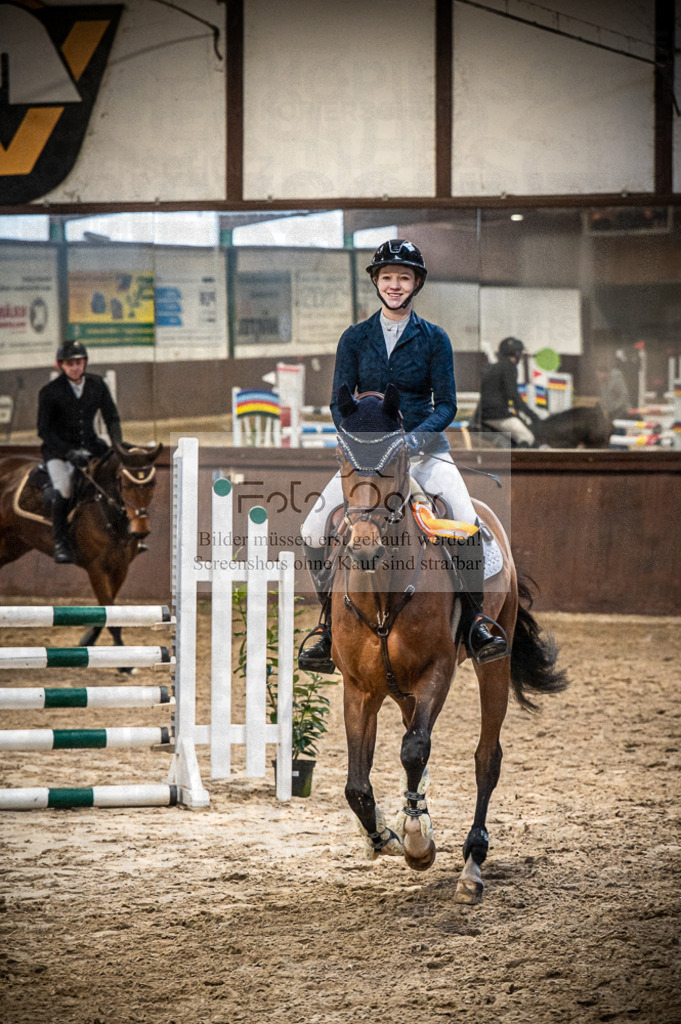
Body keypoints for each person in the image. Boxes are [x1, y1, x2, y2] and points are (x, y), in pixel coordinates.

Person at [298, 239, 509, 673]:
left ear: (416, 284)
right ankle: (326, 626)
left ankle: (476, 622)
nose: (395, 285)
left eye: (404, 278)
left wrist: (414, 439)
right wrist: (358, 442)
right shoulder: (355, 338)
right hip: (367, 457)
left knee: (467, 523)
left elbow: (447, 405)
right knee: (313, 527)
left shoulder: (434, 338)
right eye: (388, 277)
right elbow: (340, 402)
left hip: (424, 450)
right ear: (377, 281)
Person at [37, 341, 123, 564]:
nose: (75, 367)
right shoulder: (50, 392)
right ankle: (61, 542)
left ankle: (127, 532)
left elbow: (111, 417)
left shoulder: (97, 384)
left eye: (78, 362)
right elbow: (44, 431)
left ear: (85, 362)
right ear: (61, 365)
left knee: (115, 476)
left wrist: (118, 445)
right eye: (69, 364)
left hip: (91, 444)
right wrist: (69, 452)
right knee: (65, 488)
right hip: (58, 450)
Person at [478, 337, 540, 446]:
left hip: (485, 414)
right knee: (527, 438)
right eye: (520, 352)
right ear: (516, 353)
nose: (520, 355)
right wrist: (533, 416)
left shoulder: (494, 367)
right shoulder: (509, 367)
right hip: (497, 416)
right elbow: (513, 395)